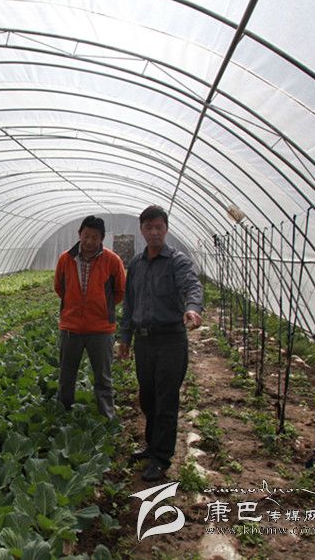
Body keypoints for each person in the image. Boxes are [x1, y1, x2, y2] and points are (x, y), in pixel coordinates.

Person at [118, 205, 203, 482]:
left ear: (166, 229)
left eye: (159, 227)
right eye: (149, 227)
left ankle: (161, 458)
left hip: (170, 340)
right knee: (147, 396)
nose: (154, 232)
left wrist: (192, 308)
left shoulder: (177, 261)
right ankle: (151, 445)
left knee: (166, 399)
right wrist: (125, 337)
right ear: (142, 230)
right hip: (144, 342)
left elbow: (192, 286)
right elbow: (130, 303)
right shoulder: (136, 264)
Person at [54, 215, 126, 419]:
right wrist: (73, 306)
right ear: (79, 234)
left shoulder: (112, 260)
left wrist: (102, 308)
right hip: (71, 327)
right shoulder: (66, 259)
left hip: (101, 329)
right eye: (86, 236)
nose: (89, 241)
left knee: (103, 377)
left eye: (94, 237)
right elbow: (59, 287)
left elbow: (120, 291)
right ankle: (62, 414)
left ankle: (106, 415)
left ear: (102, 238)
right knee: (66, 375)